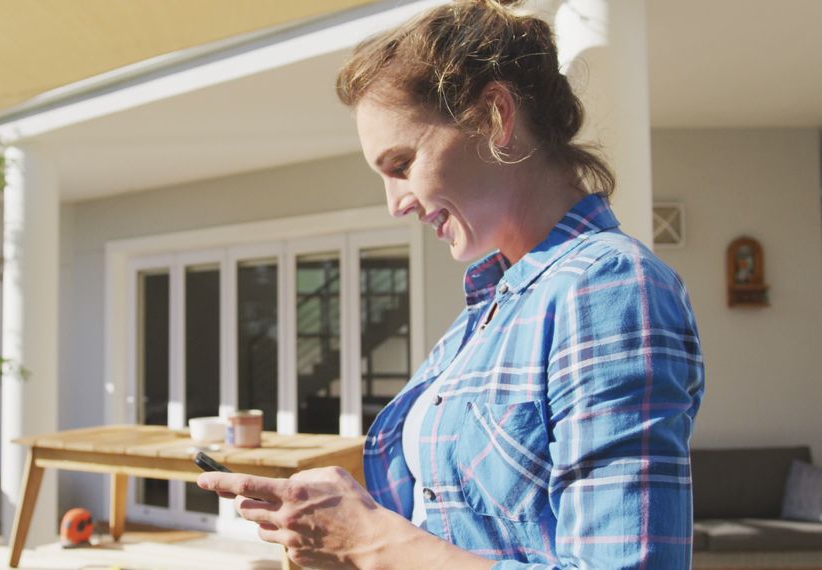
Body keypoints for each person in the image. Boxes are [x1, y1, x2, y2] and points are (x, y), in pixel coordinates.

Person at [198, 1, 705, 567]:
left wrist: (370, 541)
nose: (395, 205)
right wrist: (333, 536)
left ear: (494, 115)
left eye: (401, 164)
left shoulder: (606, 287)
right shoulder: (489, 310)